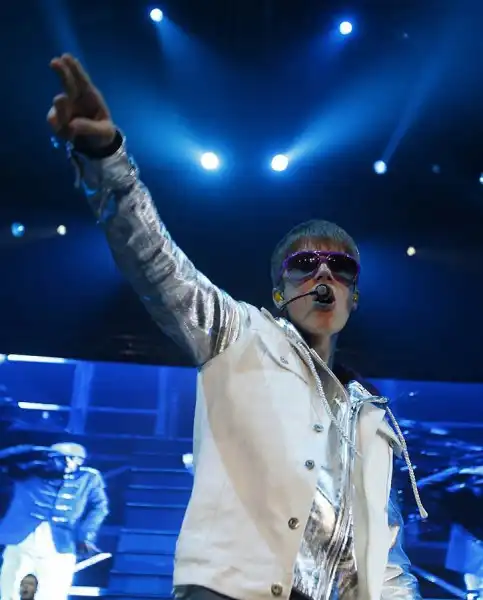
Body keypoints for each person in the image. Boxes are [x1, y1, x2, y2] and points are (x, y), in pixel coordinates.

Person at [47, 54, 427, 600]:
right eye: (305, 264)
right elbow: (156, 263)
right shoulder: (238, 333)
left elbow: (387, 559)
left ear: (354, 296)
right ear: (279, 292)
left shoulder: (372, 419)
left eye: (340, 267)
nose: (323, 273)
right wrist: (106, 159)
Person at [0, 442, 109, 600]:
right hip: (22, 539)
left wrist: (86, 534)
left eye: (74, 459)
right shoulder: (29, 471)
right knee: (10, 590)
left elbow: (99, 507)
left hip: (61, 542)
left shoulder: (88, 477)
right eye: (62, 458)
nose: (68, 462)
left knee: (54, 593)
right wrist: (35, 449)